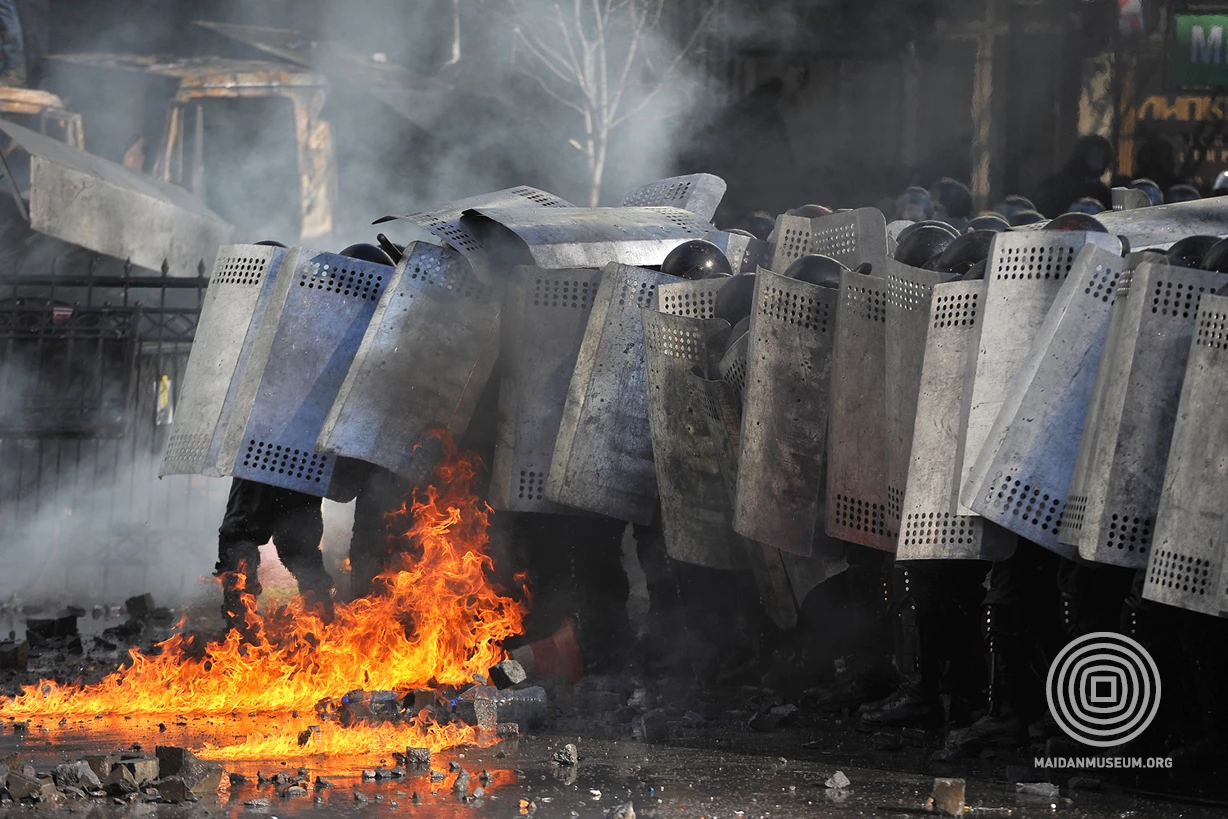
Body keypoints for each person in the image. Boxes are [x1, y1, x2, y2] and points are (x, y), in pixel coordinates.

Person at [1030, 135, 1113, 217]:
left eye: (1102, 156)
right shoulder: (1056, 186)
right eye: (1095, 154)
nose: (1098, 160)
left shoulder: (1104, 194)